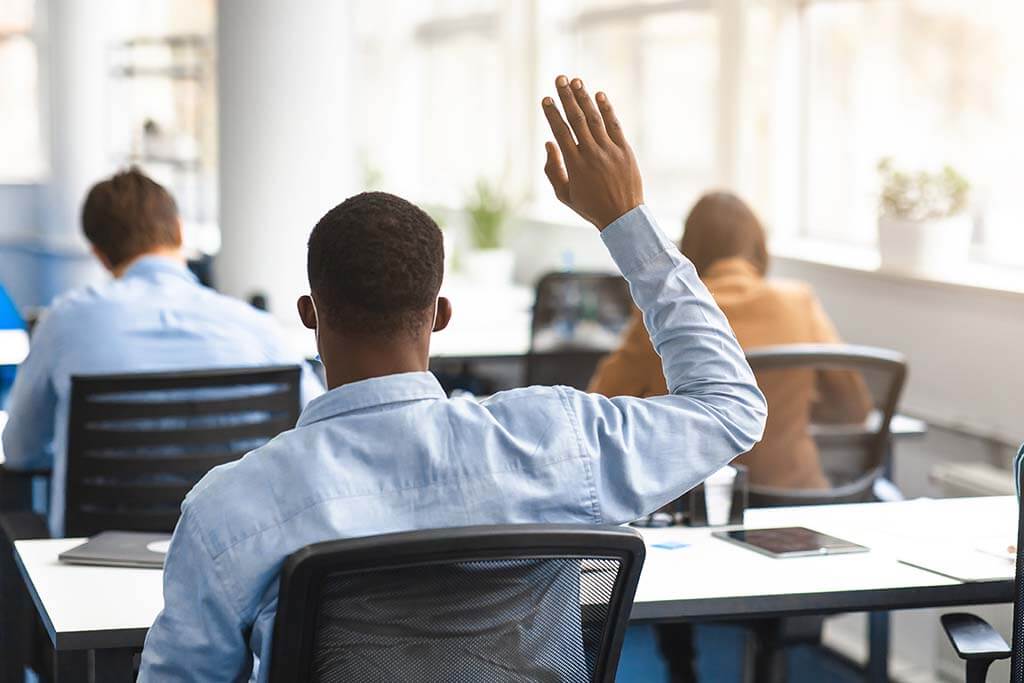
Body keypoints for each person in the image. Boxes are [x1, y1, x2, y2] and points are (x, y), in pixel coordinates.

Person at [137, 76, 767, 681]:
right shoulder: (553, 441)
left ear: (310, 313)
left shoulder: (232, 508)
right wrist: (624, 219)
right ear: (440, 315)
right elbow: (731, 407)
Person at [588, 191, 871, 682]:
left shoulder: (665, 315)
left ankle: (681, 665)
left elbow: (600, 402)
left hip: (694, 517)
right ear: (758, 247)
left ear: (688, 246)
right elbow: (855, 406)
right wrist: (790, 398)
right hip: (797, 508)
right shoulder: (797, 302)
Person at [1, 169, 323, 536]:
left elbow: (21, 451)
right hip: (234, 553)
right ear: (180, 232)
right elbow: (316, 432)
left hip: (100, 557)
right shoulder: (260, 331)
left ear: (100, 254)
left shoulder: (64, 324)